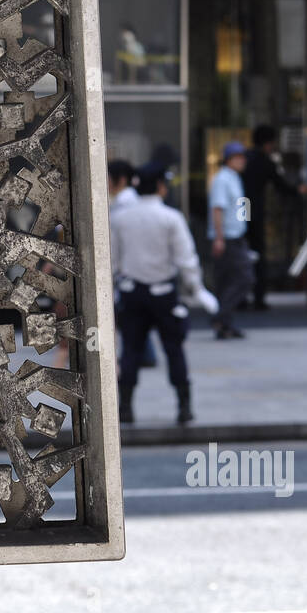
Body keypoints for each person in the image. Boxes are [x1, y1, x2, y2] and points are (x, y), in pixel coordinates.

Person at [111, 164, 215, 425]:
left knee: (130, 350)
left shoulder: (120, 218)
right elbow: (186, 259)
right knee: (174, 349)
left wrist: (113, 288)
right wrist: (196, 289)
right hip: (164, 292)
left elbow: (111, 260)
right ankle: (184, 407)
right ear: (160, 186)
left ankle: (125, 408)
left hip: (132, 292)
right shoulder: (171, 217)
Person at [243, 125, 307, 309]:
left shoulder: (245, 159)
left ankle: (241, 296)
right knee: (258, 253)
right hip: (255, 208)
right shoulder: (265, 161)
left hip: (242, 206)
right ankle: (258, 297)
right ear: (268, 143)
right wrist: (297, 189)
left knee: (243, 250)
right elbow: (281, 186)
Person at [208, 141, 253, 338]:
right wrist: (219, 237)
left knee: (228, 281)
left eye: (243, 157)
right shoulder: (222, 179)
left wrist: (245, 226)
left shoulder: (236, 178)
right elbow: (217, 208)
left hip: (237, 235)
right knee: (244, 278)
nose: (242, 161)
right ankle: (220, 316)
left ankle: (225, 324)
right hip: (227, 237)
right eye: (238, 157)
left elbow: (243, 205)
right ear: (228, 160)